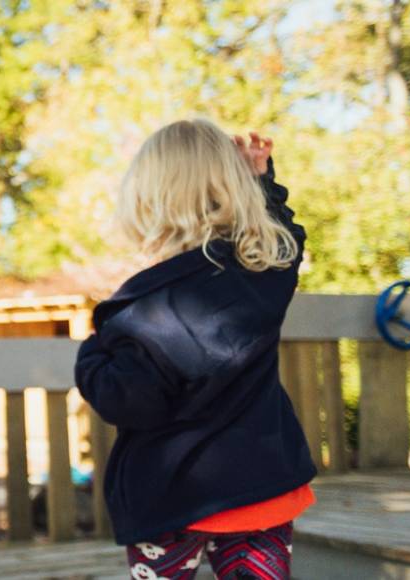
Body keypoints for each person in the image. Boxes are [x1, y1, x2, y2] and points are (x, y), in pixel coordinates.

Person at [76, 122, 312, 580]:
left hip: (173, 499)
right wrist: (260, 182)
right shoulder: (264, 274)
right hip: (260, 487)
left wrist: (94, 352)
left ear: (149, 201)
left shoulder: (145, 312)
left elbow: (129, 401)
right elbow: (288, 240)